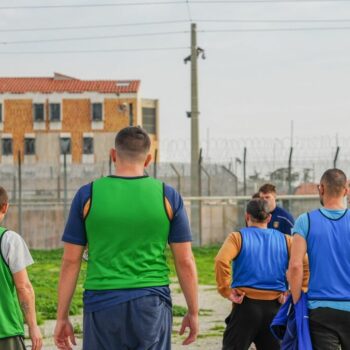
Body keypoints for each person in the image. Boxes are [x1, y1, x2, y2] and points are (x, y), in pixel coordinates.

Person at [54, 126, 199, 350]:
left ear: (113, 155)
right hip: (151, 302)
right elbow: (185, 261)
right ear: (149, 159)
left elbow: (70, 261)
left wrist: (62, 317)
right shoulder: (168, 196)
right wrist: (193, 311)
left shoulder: (87, 195)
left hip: (101, 302)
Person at [215, 198, 308, 350]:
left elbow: (221, 260)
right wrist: (296, 291)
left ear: (247, 216)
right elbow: (305, 263)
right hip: (275, 307)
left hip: (245, 306)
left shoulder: (237, 237)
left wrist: (226, 289)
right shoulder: (287, 240)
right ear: (269, 217)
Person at [289, 168, 350, 350]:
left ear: (321, 189)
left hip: (320, 308)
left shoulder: (305, 220)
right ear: (346, 190)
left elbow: (295, 265)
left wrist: (296, 300)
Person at [0, 186, 42, 350]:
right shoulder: (9, 240)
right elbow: (23, 287)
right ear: (5, 206)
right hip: (5, 331)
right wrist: (33, 326)